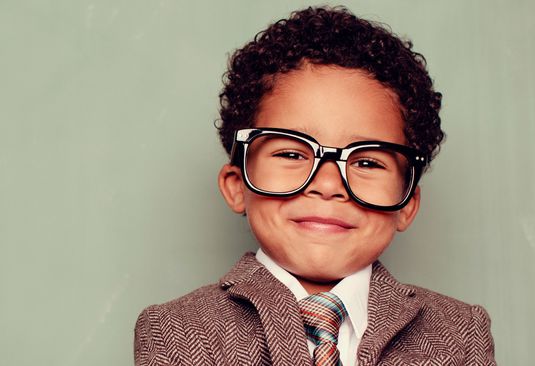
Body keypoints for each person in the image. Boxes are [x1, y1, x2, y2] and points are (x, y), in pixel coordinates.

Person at [134, 6, 496, 366]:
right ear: (236, 184)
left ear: (406, 204)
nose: (327, 185)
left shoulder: (460, 331)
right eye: (291, 154)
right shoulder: (178, 327)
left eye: (367, 162)